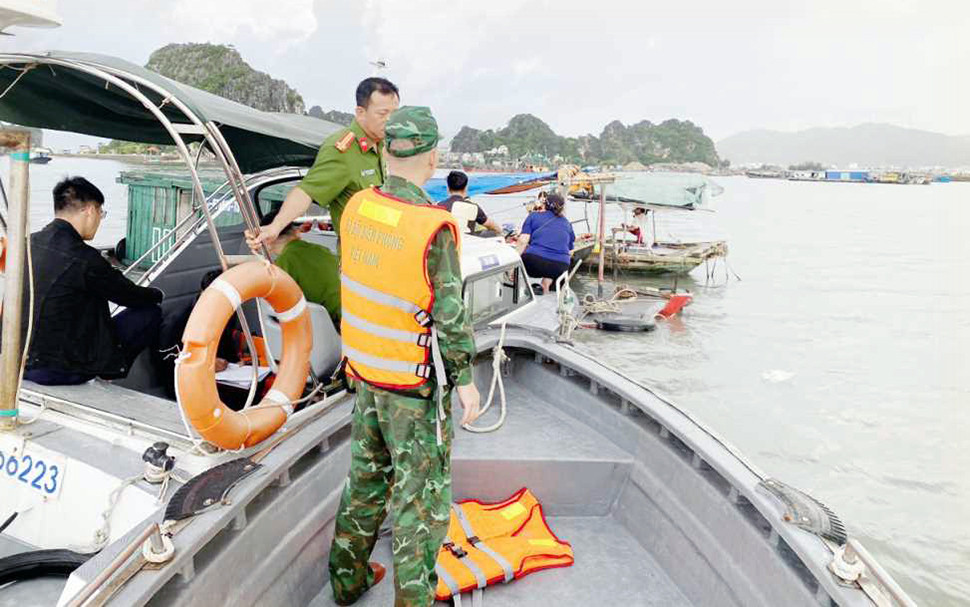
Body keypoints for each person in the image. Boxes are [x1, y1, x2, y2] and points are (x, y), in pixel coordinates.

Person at [328, 106, 481, 607]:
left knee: (365, 484)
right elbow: (450, 316)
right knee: (420, 503)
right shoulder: (432, 227)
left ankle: (347, 582)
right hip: (413, 392)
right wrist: (466, 381)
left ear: (387, 151)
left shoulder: (356, 209)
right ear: (433, 157)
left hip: (366, 376)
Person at [22, 177, 163, 385]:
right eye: (101, 213)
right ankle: (108, 372)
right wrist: (159, 294)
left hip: (19, 362)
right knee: (150, 312)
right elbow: (131, 296)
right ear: (90, 210)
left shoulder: (27, 243)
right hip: (61, 370)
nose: (99, 219)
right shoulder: (86, 258)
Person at [247, 77, 400, 251]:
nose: (390, 120)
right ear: (360, 112)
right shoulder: (342, 151)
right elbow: (306, 191)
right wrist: (276, 227)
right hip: (360, 258)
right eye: (382, 114)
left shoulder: (381, 145)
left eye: (394, 114)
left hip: (383, 251)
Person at [259, 209, 341, 326]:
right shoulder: (323, 250)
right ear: (296, 232)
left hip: (327, 325)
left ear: (267, 240)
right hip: (347, 315)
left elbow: (276, 305)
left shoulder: (284, 261)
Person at [516, 192, 575, 293]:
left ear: (545, 204)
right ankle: (546, 285)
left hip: (534, 262)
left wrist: (513, 266)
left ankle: (520, 291)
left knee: (520, 267)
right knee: (552, 268)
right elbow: (570, 250)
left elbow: (522, 241)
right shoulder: (567, 223)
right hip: (560, 266)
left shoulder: (533, 216)